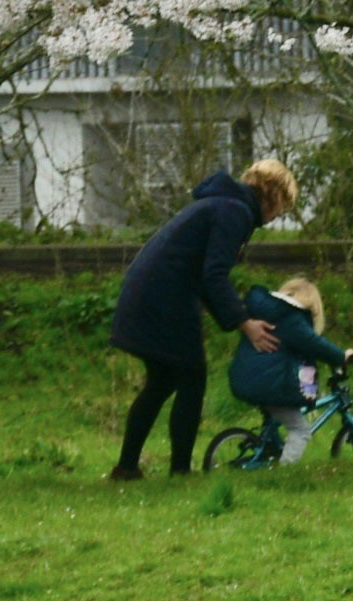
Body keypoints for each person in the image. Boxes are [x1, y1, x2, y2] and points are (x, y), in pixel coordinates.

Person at [107, 158, 295, 479]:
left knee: (163, 380)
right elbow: (214, 276)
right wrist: (244, 323)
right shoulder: (234, 212)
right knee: (192, 377)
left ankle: (127, 468)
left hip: (148, 293)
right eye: (282, 206)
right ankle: (180, 470)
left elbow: (206, 275)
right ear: (272, 194)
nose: (278, 215)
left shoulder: (222, 205)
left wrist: (239, 317)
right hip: (164, 298)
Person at [224, 274, 351, 454]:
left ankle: (269, 450)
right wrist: (342, 356)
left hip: (247, 378)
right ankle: (285, 473)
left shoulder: (268, 311)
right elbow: (315, 344)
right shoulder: (290, 318)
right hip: (270, 384)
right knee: (301, 430)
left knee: (276, 421)